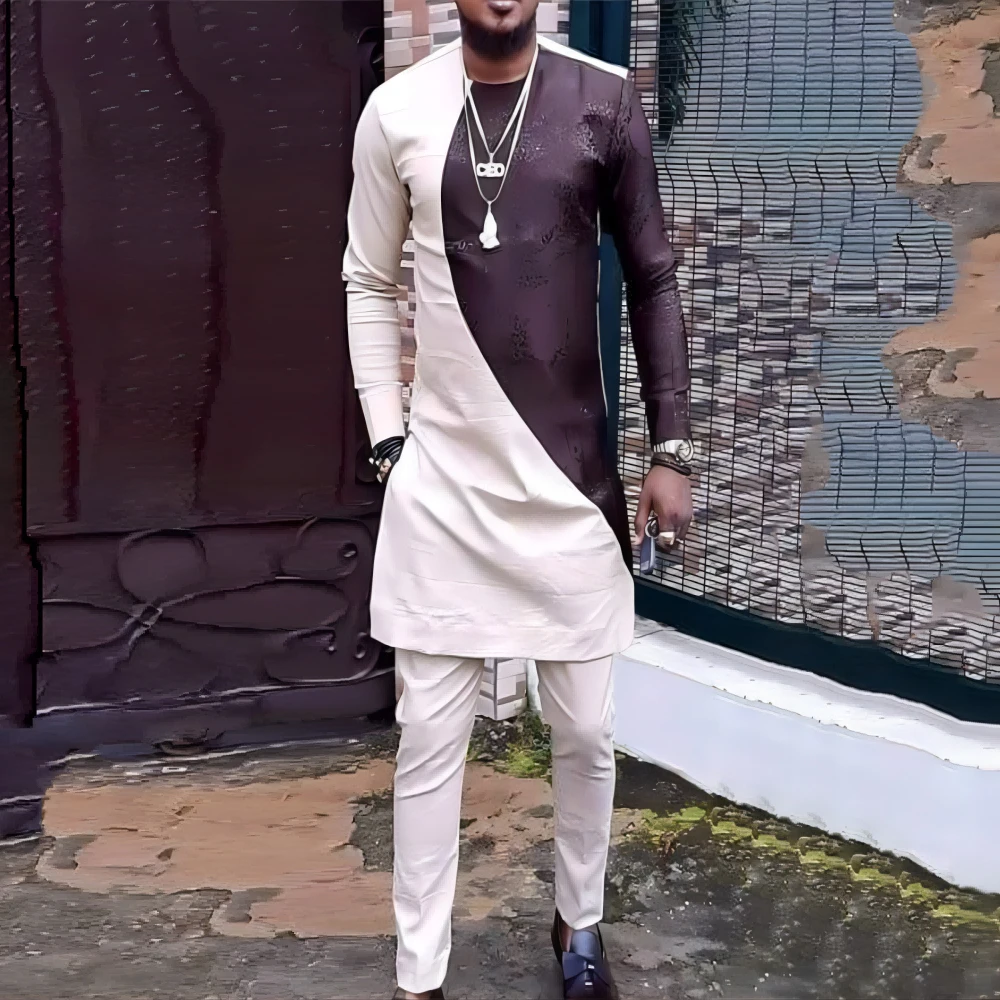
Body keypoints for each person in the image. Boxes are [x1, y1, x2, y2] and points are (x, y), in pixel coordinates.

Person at [343, 0, 693, 996]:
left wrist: (670, 445)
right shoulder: (396, 110)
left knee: (583, 732)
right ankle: (419, 972)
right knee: (428, 740)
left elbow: (654, 277)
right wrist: (388, 439)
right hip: (443, 487)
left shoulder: (603, 100)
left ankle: (578, 927)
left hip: (568, 485)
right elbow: (366, 280)